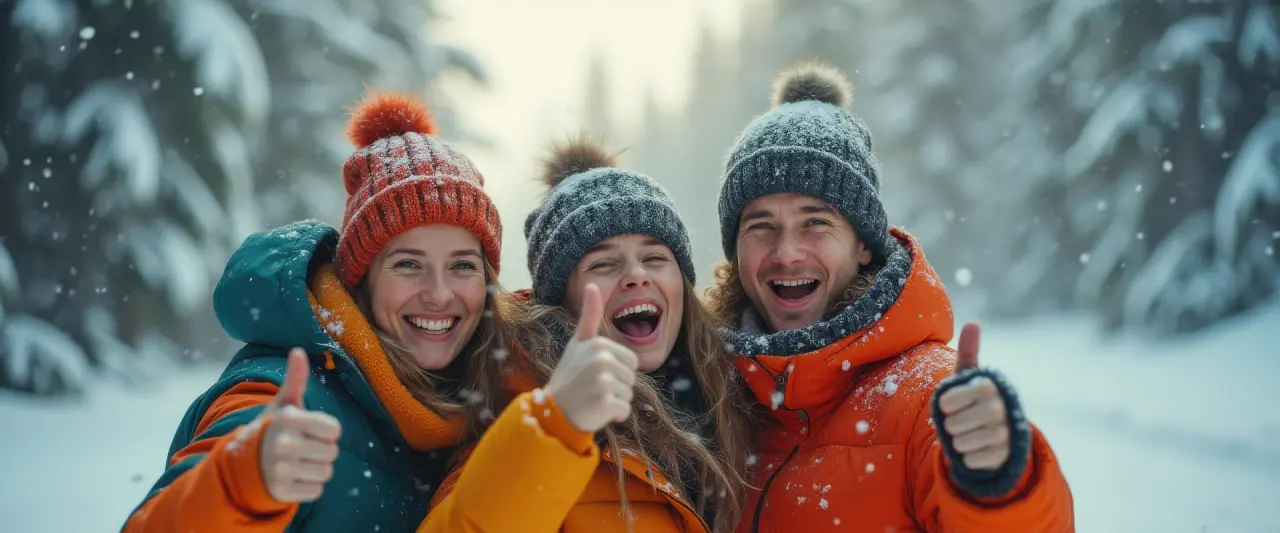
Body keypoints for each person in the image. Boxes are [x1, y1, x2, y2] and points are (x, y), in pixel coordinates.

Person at [705, 62, 1076, 532]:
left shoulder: (926, 396)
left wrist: (996, 482)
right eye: (761, 226)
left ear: (864, 244)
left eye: (815, 222)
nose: (787, 252)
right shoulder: (712, 393)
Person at [122, 92, 517, 533]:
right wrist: (242, 482)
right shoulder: (281, 393)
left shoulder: (498, 396)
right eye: (407, 264)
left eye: (462, 265)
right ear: (361, 279)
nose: (439, 294)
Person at [419, 138, 754, 533]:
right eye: (603, 263)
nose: (636, 275)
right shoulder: (517, 425)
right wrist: (557, 425)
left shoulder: (735, 408)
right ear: (562, 303)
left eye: (654, 258)